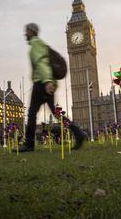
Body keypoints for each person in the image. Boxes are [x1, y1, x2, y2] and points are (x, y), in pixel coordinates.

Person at [17, 23, 86, 152]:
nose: (25, 34)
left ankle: (29, 144)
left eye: (26, 31)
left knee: (32, 113)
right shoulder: (41, 44)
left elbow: (42, 62)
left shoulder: (36, 44)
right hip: (47, 82)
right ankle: (78, 133)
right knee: (56, 114)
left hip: (42, 83)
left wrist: (47, 81)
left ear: (32, 32)